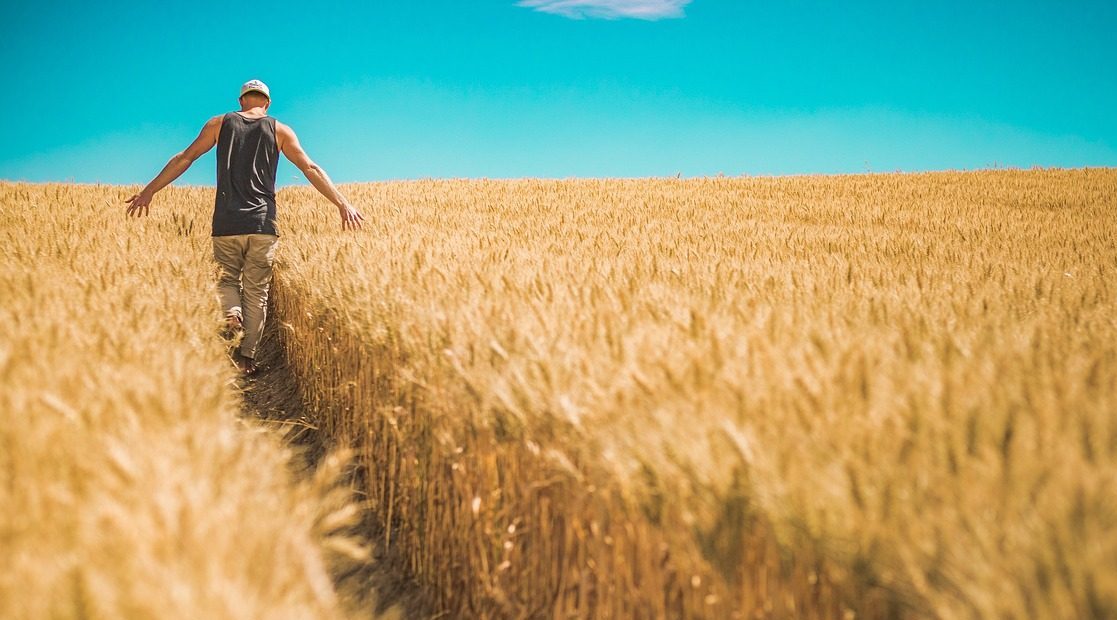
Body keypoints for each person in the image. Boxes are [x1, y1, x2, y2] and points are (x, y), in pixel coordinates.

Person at [125, 79, 364, 375]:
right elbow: (310, 168)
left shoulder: (218, 123)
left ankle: (231, 312)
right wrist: (343, 204)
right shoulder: (280, 130)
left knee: (226, 281)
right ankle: (246, 359)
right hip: (263, 224)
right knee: (257, 292)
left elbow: (185, 158)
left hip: (226, 221)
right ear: (267, 103)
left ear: (241, 101)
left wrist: (149, 191)